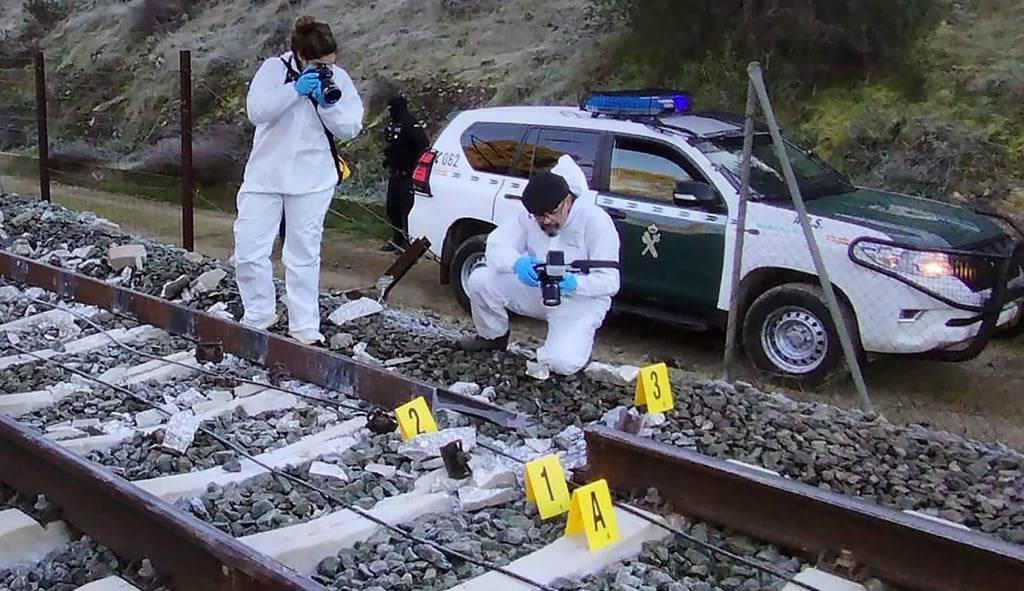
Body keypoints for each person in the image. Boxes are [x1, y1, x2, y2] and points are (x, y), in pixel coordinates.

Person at [232, 15, 364, 345]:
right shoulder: (273, 71)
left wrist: (325, 103)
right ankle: (259, 311)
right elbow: (257, 111)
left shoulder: (339, 79)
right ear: (301, 57)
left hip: (313, 178)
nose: (326, 70)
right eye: (319, 64)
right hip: (266, 175)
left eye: (330, 63)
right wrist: (295, 90)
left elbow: (349, 128)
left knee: (303, 254)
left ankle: (305, 326)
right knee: (249, 249)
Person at [457, 155, 621, 375]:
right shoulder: (530, 216)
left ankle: (575, 347)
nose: (545, 221)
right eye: (538, 216)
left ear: (568, 200)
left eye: (551, 214)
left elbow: (610, 283)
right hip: (538, 289)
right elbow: (496, 245)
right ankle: (492, 338)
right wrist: (517, 263)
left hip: (579, 301)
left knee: (560, 363)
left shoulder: (596, 222)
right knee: (479, 280)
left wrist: (573, 283)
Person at [380, 95, 429, 252]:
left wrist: (411, 163)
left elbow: (422, 145)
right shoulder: (394, 123)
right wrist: (390, 159)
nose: (390, 112)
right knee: (392, 208)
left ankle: (407, 242)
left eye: (392, 109)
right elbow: (392, 144)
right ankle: (397, 240)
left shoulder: (410, 124)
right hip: (394, 172)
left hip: (407, 174)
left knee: (405, 209)